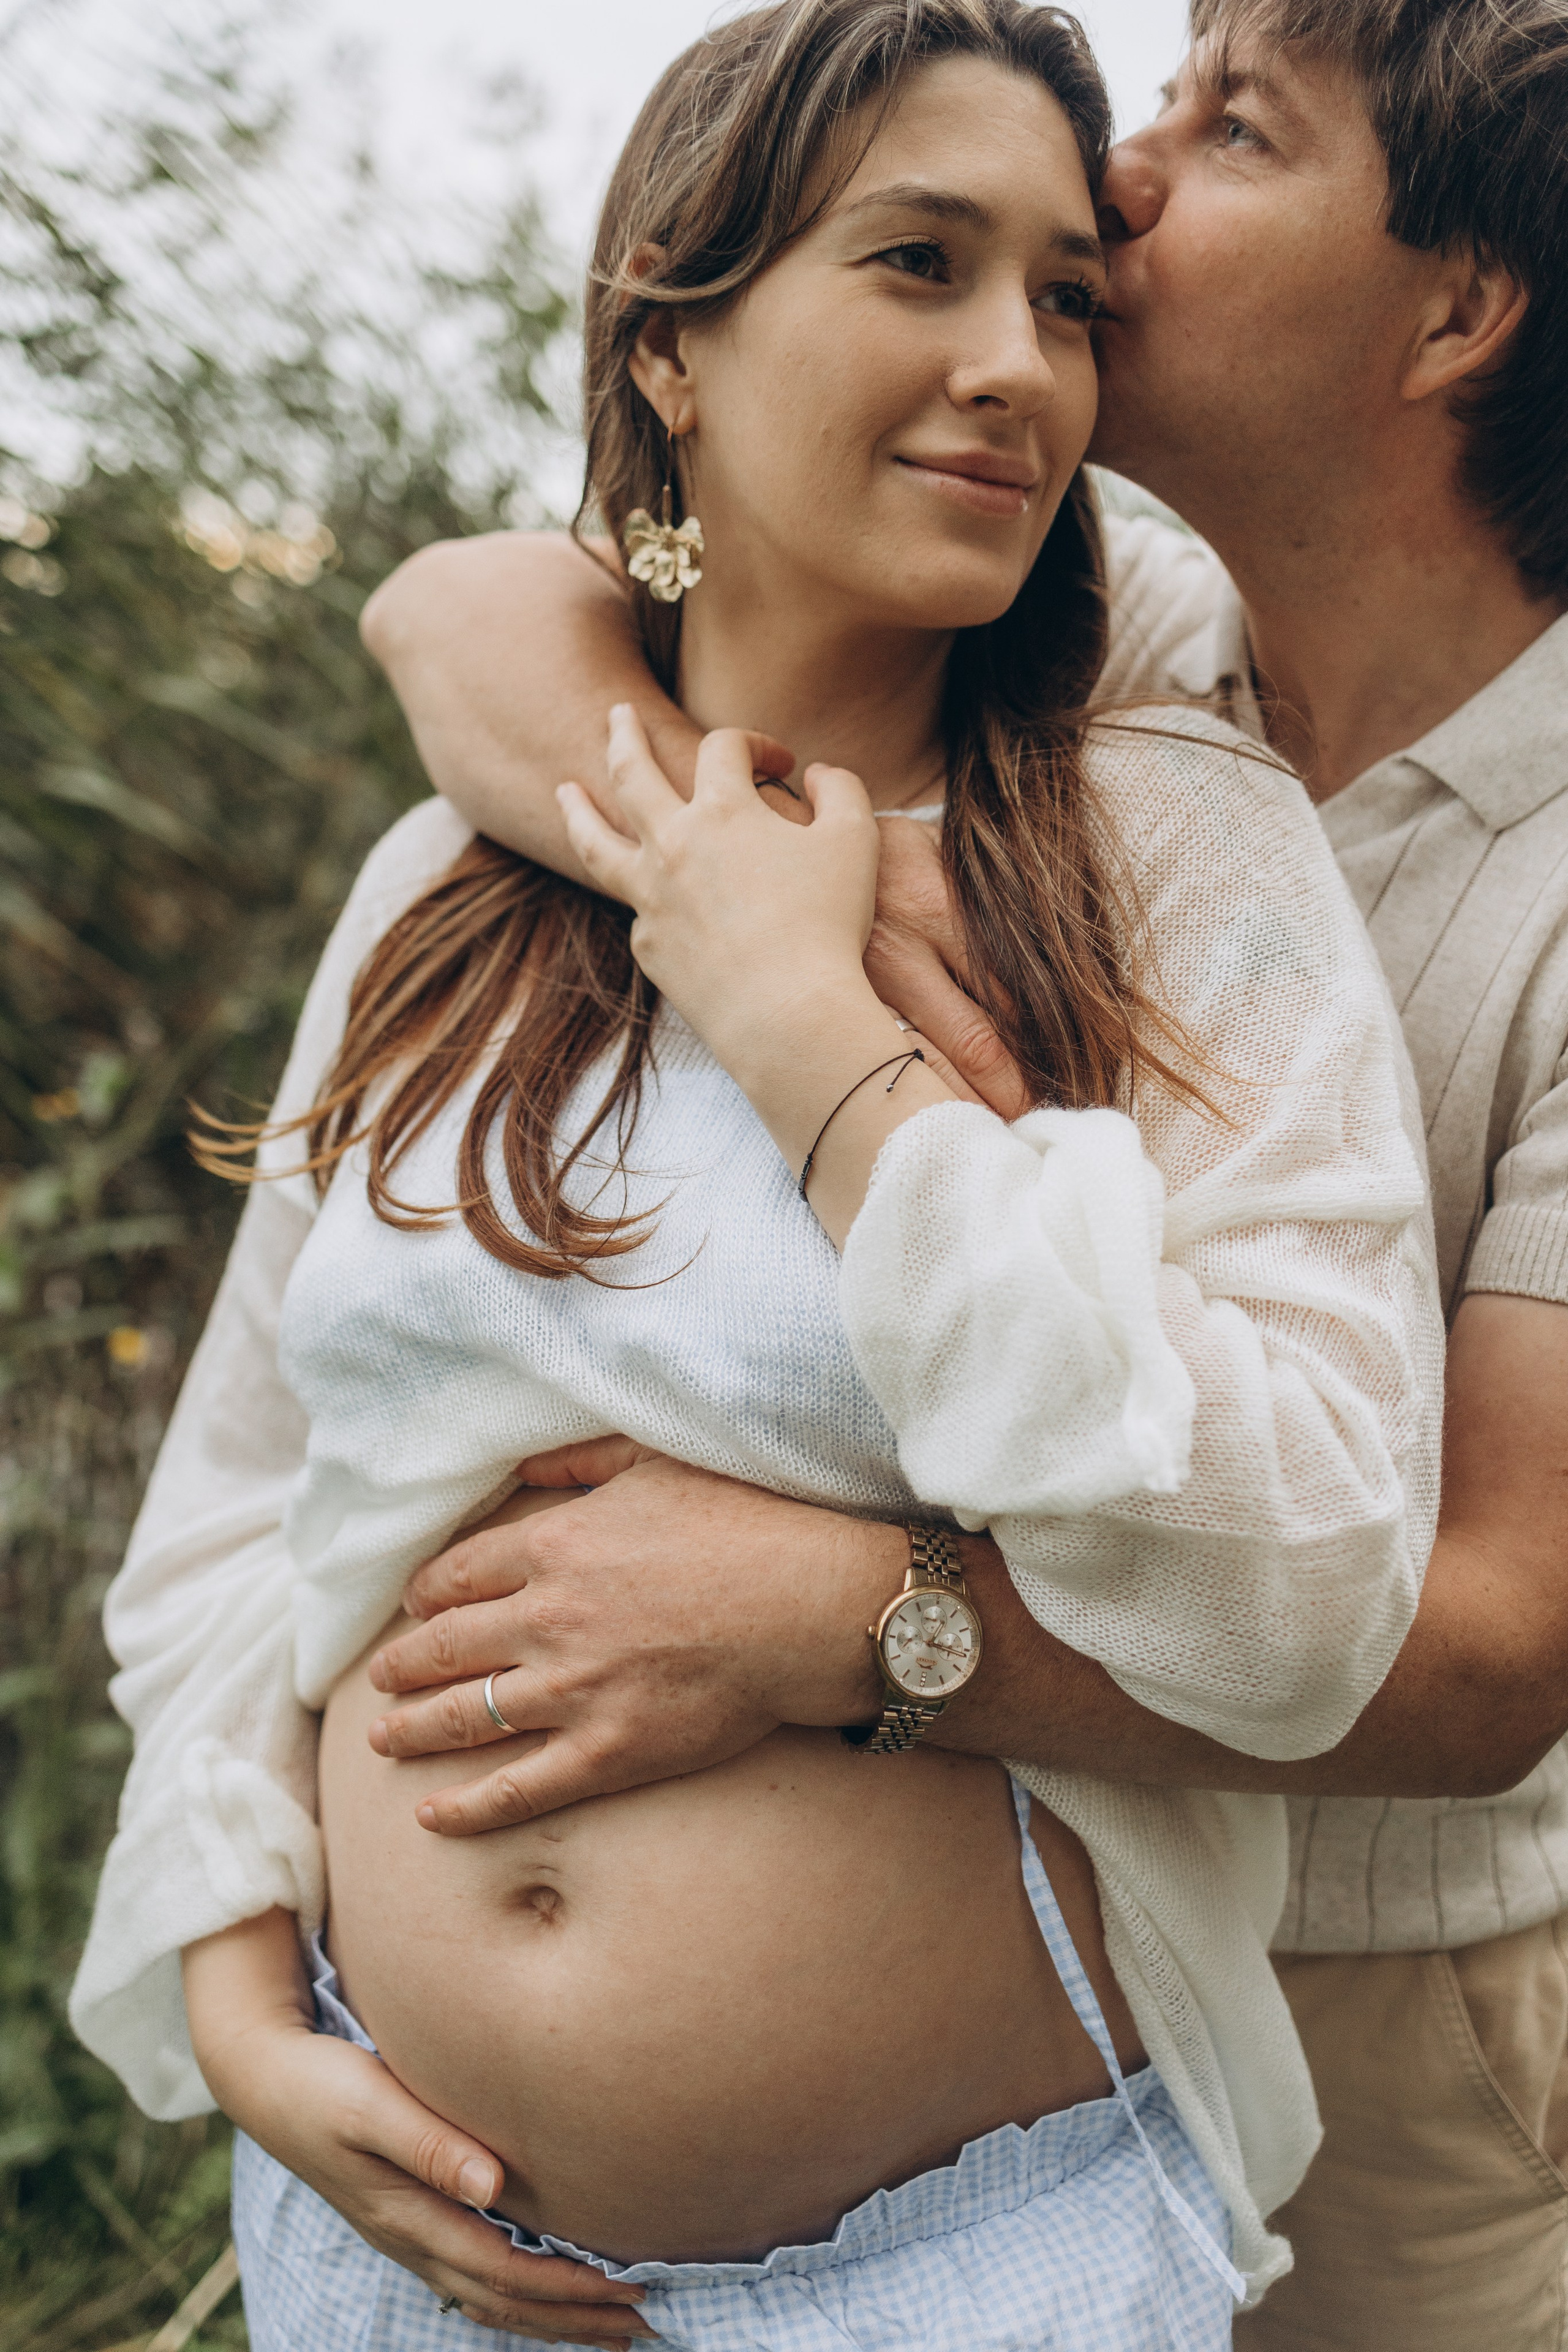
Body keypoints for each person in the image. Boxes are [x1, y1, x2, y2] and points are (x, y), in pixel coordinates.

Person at [66, 2, 1451, 2347]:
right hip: (392, 2242)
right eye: (919, 262)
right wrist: (230, 1991)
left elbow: (1309, 1579)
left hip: (967, 2273)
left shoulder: (1173, 851)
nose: (1017, 362)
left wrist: (819, 1036)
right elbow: (248, 1505)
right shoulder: (455, 872)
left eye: (1067, 298)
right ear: (673, 343)